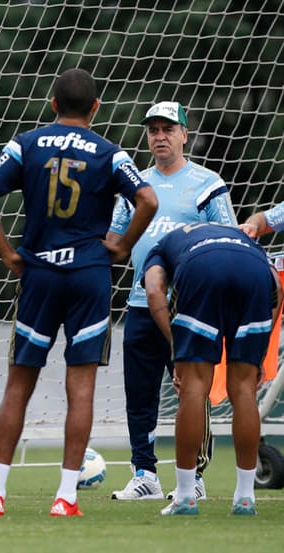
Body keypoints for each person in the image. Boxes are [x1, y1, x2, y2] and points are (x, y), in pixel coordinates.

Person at [0, 68, 158, 517]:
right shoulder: (111, 154)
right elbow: (148, 200)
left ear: (53, 105)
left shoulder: (26, 143)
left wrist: (6, 253)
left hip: (39, 274)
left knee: (19, 383)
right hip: (88, 276)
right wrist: (123, 244)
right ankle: (66, 497)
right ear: (95, 108)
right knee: (82, 385)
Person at [108, 101, 236, 501]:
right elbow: (114, 240)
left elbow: (227, 240)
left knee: (191, 391)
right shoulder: (135, 185)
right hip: (140, 304)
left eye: (167, 129)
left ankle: (194, 476)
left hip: (190, 309)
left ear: (184, 134)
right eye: (153, 130)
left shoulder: (207, 183)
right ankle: (144, 473)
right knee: (139, 393)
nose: (159, 136)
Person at [143, 223, 280, 516]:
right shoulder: (240, 237)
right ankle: (245, 498)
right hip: (255, 273)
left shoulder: (160, 247)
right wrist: (260, 351)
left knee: (193, 389)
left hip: (201, 271)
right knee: (244, 391)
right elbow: (276, 286)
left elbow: (155, 291)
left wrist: (176, 350)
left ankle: (184, 496)